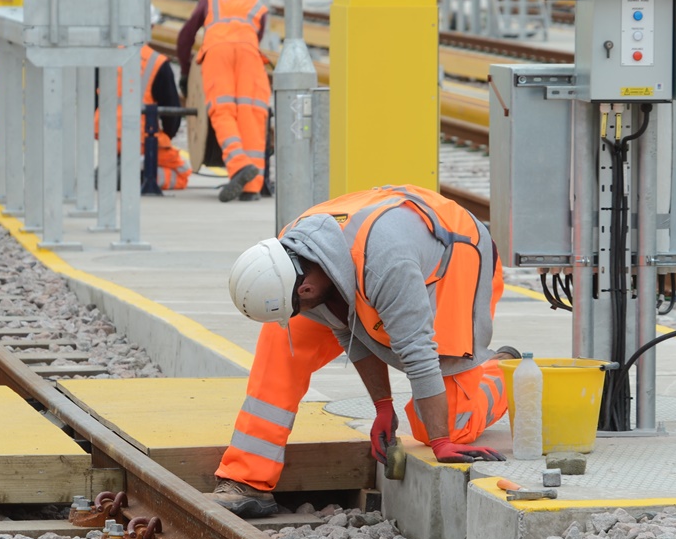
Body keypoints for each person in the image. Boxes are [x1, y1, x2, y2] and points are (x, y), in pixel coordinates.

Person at [210, 184, 519, 517]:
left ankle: (503, 371)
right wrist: (382, 406)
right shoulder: (290, 255)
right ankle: (246, 477)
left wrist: (442, 443)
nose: (297, 312)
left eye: (296, 305)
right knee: (281, 343)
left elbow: (418, 354)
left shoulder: (387, 266)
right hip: (367, 260)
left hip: (457, 258)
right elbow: (347, 328)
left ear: (307, 288)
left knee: (448, 425)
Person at [175, 0, 269, 202]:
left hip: (218, 53)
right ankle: (252, 188)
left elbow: (186, 36)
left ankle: (238, 164)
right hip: (250, 56)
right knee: (251, 114)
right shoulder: (259, 7)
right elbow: (256, 37)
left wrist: (186, 73)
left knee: (223, 110)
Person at [95, 42, 191, 191]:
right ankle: (136, 176)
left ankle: (116, 169)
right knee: (182, 173)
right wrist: (165, 138)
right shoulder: (156, 61)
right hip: (141, 139)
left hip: (106, 135)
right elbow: (172, 113)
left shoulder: (106, 57)